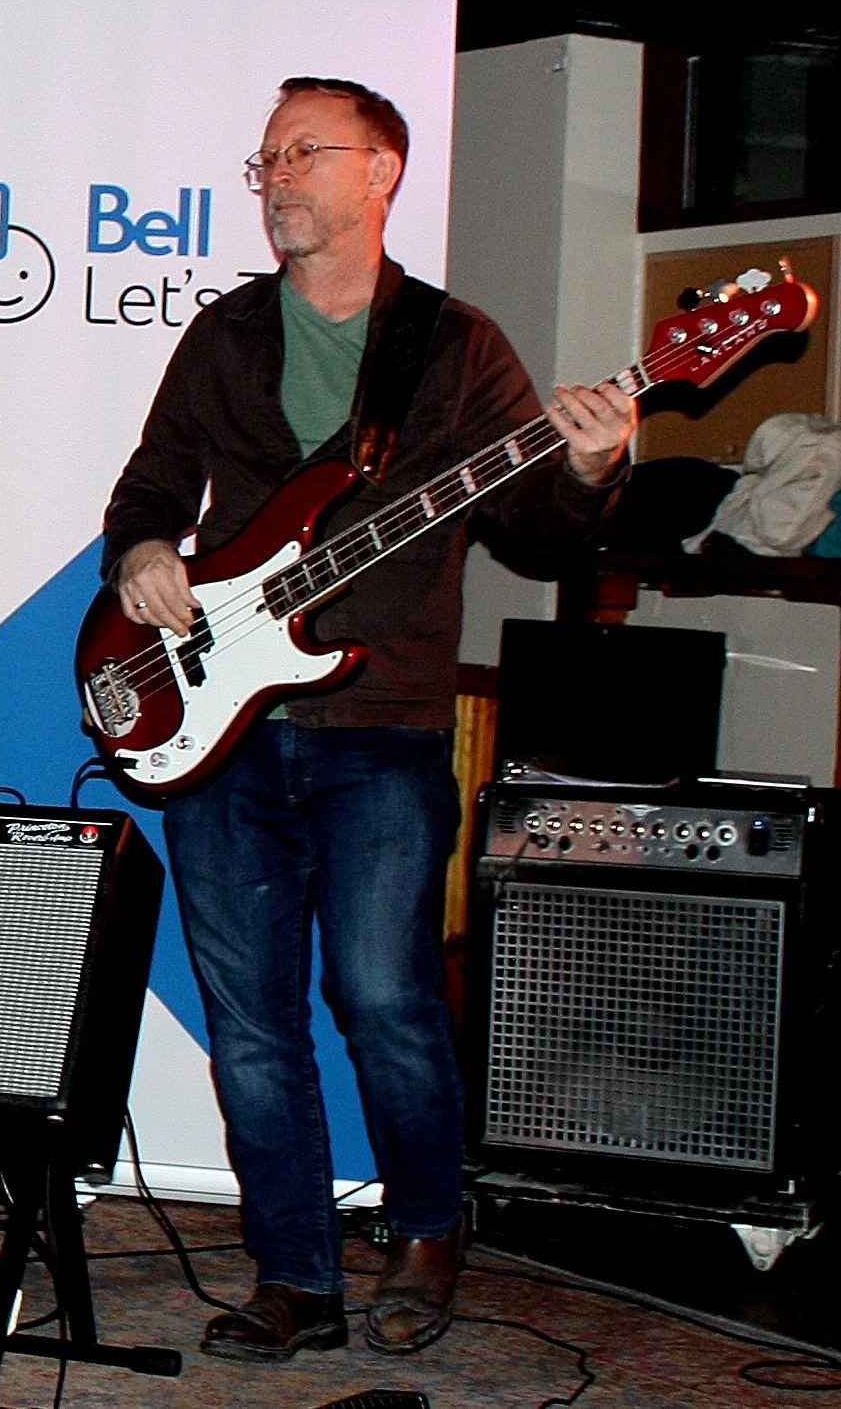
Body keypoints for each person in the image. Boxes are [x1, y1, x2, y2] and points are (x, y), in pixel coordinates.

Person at [101, 76, 636, 1361]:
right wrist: (141, 554)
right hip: (223, 725)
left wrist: (589, 465)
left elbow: (533, 531)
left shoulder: (453, 345)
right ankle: (294, 1273)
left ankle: (427, 1232)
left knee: (384, 996)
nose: (277, 176)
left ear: (380, 171)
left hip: (383, 723)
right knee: (250, 1019)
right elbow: (153, 483)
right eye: (266, 158)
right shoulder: (227, 333)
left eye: (303, 151)